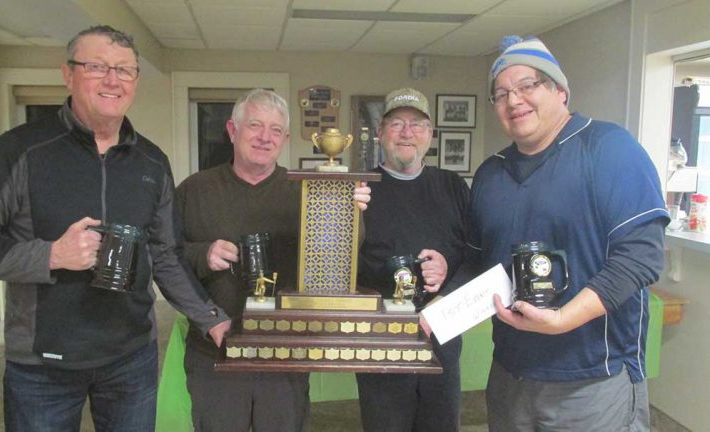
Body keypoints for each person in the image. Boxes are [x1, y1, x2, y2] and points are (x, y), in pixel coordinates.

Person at [0, 25, 231, 432]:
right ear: (68, 74)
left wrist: (210, 317)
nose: (113, 80)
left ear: (135, 80)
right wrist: (52, 255)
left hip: (131, 358)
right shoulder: (20, 150)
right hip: (42, 367)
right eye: (97, 66)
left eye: (125, 70)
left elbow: (164, 254)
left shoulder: (152, 162)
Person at [469, 35, 669, 431]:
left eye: (528, 86)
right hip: (510, 375)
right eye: (501, 93)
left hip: (593, 379)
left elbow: (641, 256)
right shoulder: (490, 174)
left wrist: (562, 319)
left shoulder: (610, 149)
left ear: (560, 90)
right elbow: (478, 260)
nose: (514, 100)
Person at [175, 88, 370, 432]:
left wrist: (348, 212)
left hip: (286, 350)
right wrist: (202, 254)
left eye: (276, 130)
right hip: (217, 349)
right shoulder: (194, 190)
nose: (265, 137)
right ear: (233, 130)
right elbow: (166, 257)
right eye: (255, 125)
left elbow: (342, 255)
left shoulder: (307, 190)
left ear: (285, 139)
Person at [356, 88, 470, 432]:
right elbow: (339, 268)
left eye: (417, 124)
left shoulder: (453, 186)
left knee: (441, 424)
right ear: (380, 133)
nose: (407, 133)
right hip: (380, 336)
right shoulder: (359, 189)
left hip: (442, 332)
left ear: (430, 135)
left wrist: (448, 268)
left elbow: (475, 256)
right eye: (397, 124)